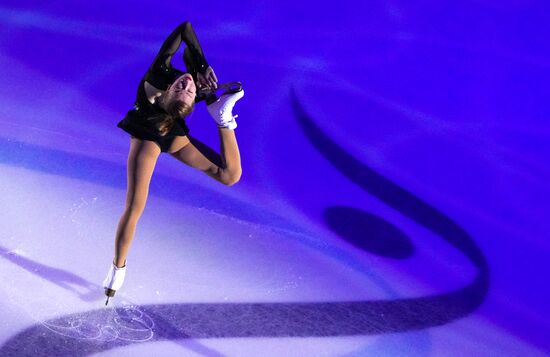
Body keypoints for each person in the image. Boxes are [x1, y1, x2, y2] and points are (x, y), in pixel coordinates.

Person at [102, 21, 244, 304]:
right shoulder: (159, 74)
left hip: (173, 133)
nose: (187, 83)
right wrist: (200, 73)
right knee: (134, 206)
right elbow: (182, 32)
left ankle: (222, 119)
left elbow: (186, 29)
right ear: (166, 92)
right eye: (185, 87)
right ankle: (117, 270)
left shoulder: (179, 80)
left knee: (230, 176)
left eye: (187, 89)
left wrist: (201, 65)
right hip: (148, 135)